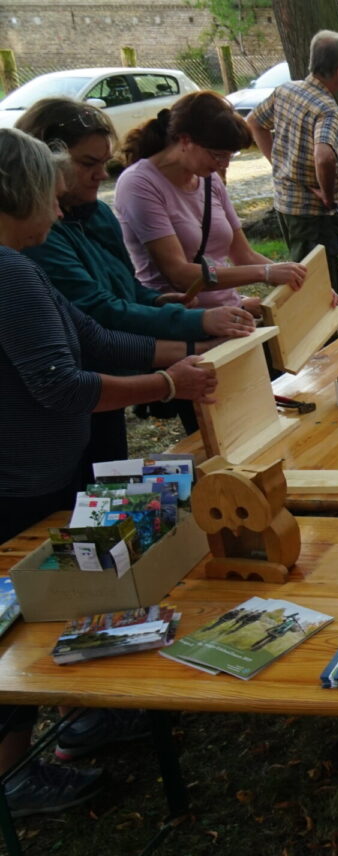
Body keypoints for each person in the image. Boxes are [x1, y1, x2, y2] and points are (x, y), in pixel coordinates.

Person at [0, 127, 217, 815]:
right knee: (26, 612)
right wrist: (166, 384)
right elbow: (61, 381)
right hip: (20, 480)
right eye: (50, 193)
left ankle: (80, 715)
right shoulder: (6, 271)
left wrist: (190, 342)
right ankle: (13, 774)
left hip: (42, 468)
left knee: (70, 588)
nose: (61, 206)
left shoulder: (21, 266)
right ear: (19, 195)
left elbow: (94, 339)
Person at [17, 99, 254, 459]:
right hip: (49, 434)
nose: (101, 175)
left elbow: (119, 297)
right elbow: (97, 319)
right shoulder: (31, 249)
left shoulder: (95, 214)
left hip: (101, 393)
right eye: (87, 164)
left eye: (104, 163)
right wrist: (186, 351)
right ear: (41, 168)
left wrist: (159, 303)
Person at [114, 91, 314, 315]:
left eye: (230, 155)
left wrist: (307, 285)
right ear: (185, 140)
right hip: (180, 319)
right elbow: (179, 274)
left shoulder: (210, 179)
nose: (224, 164)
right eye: (217, 155)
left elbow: (244, 256)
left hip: (228, 312)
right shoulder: (139, 184)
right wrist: (265, 272)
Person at [247, 29, 338, 297]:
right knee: (322, 284)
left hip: (285, 204)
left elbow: (254, 122)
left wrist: (277, 164)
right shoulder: (326, 108)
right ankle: (327, 339)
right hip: (312, 214)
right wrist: (328, 197)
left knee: (302, 273)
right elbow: (325, 156)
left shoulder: (286, 91)